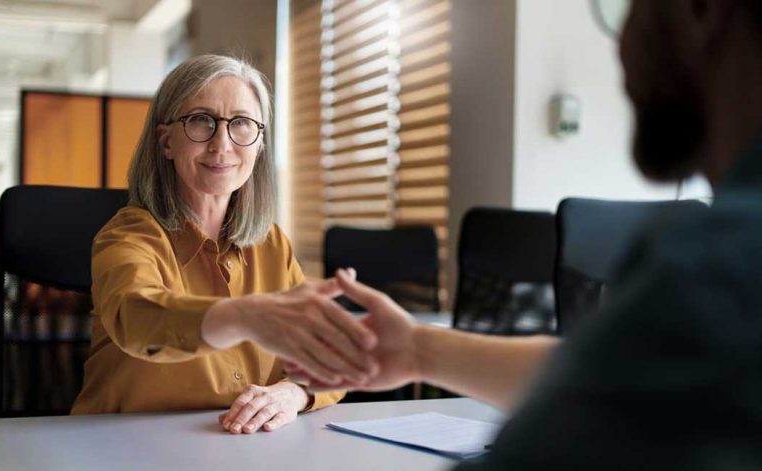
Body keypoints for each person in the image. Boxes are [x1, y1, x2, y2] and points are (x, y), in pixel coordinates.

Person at [290, 0, 762, 467]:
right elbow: (627, 379)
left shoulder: (716, 267)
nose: (620, 40)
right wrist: (418, 348)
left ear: (704, 9)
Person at [71, 55, 378, 436]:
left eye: (242, 124)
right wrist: (244, 315)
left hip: (240, 451)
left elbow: (332, 358)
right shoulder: (129, 236)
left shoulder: (272, 245)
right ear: (166, 141)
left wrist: (292, 394)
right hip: (122, 447)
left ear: (259, 143)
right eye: (200, 120)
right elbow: (138, 321)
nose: (222, 143)